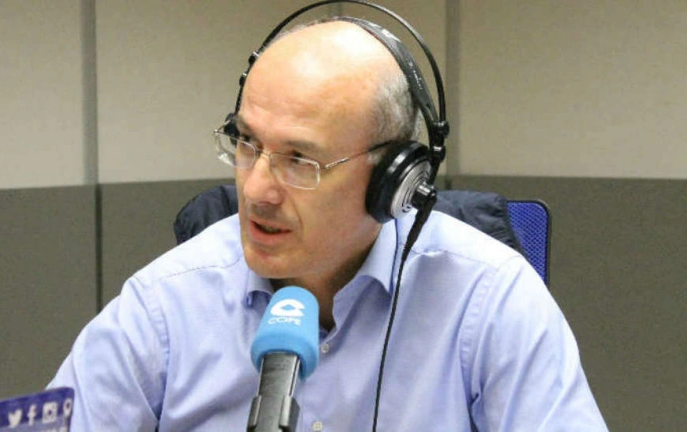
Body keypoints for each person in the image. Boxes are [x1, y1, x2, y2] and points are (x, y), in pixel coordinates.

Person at [49, 15, 608, 432]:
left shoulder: (489, 301)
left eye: (300, 161)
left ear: (393, 180)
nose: (257, 190)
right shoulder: (163, 306)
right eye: (247, 142)